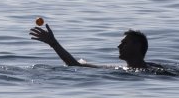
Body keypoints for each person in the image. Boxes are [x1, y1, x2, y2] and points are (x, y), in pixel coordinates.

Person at [30, 24, 167, 72]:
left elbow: (73, 65)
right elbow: (76, 65)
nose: (119, 46)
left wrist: (54, 43)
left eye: (125, 43)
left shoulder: (150, 71)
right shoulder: (151, 67)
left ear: (137, 46)